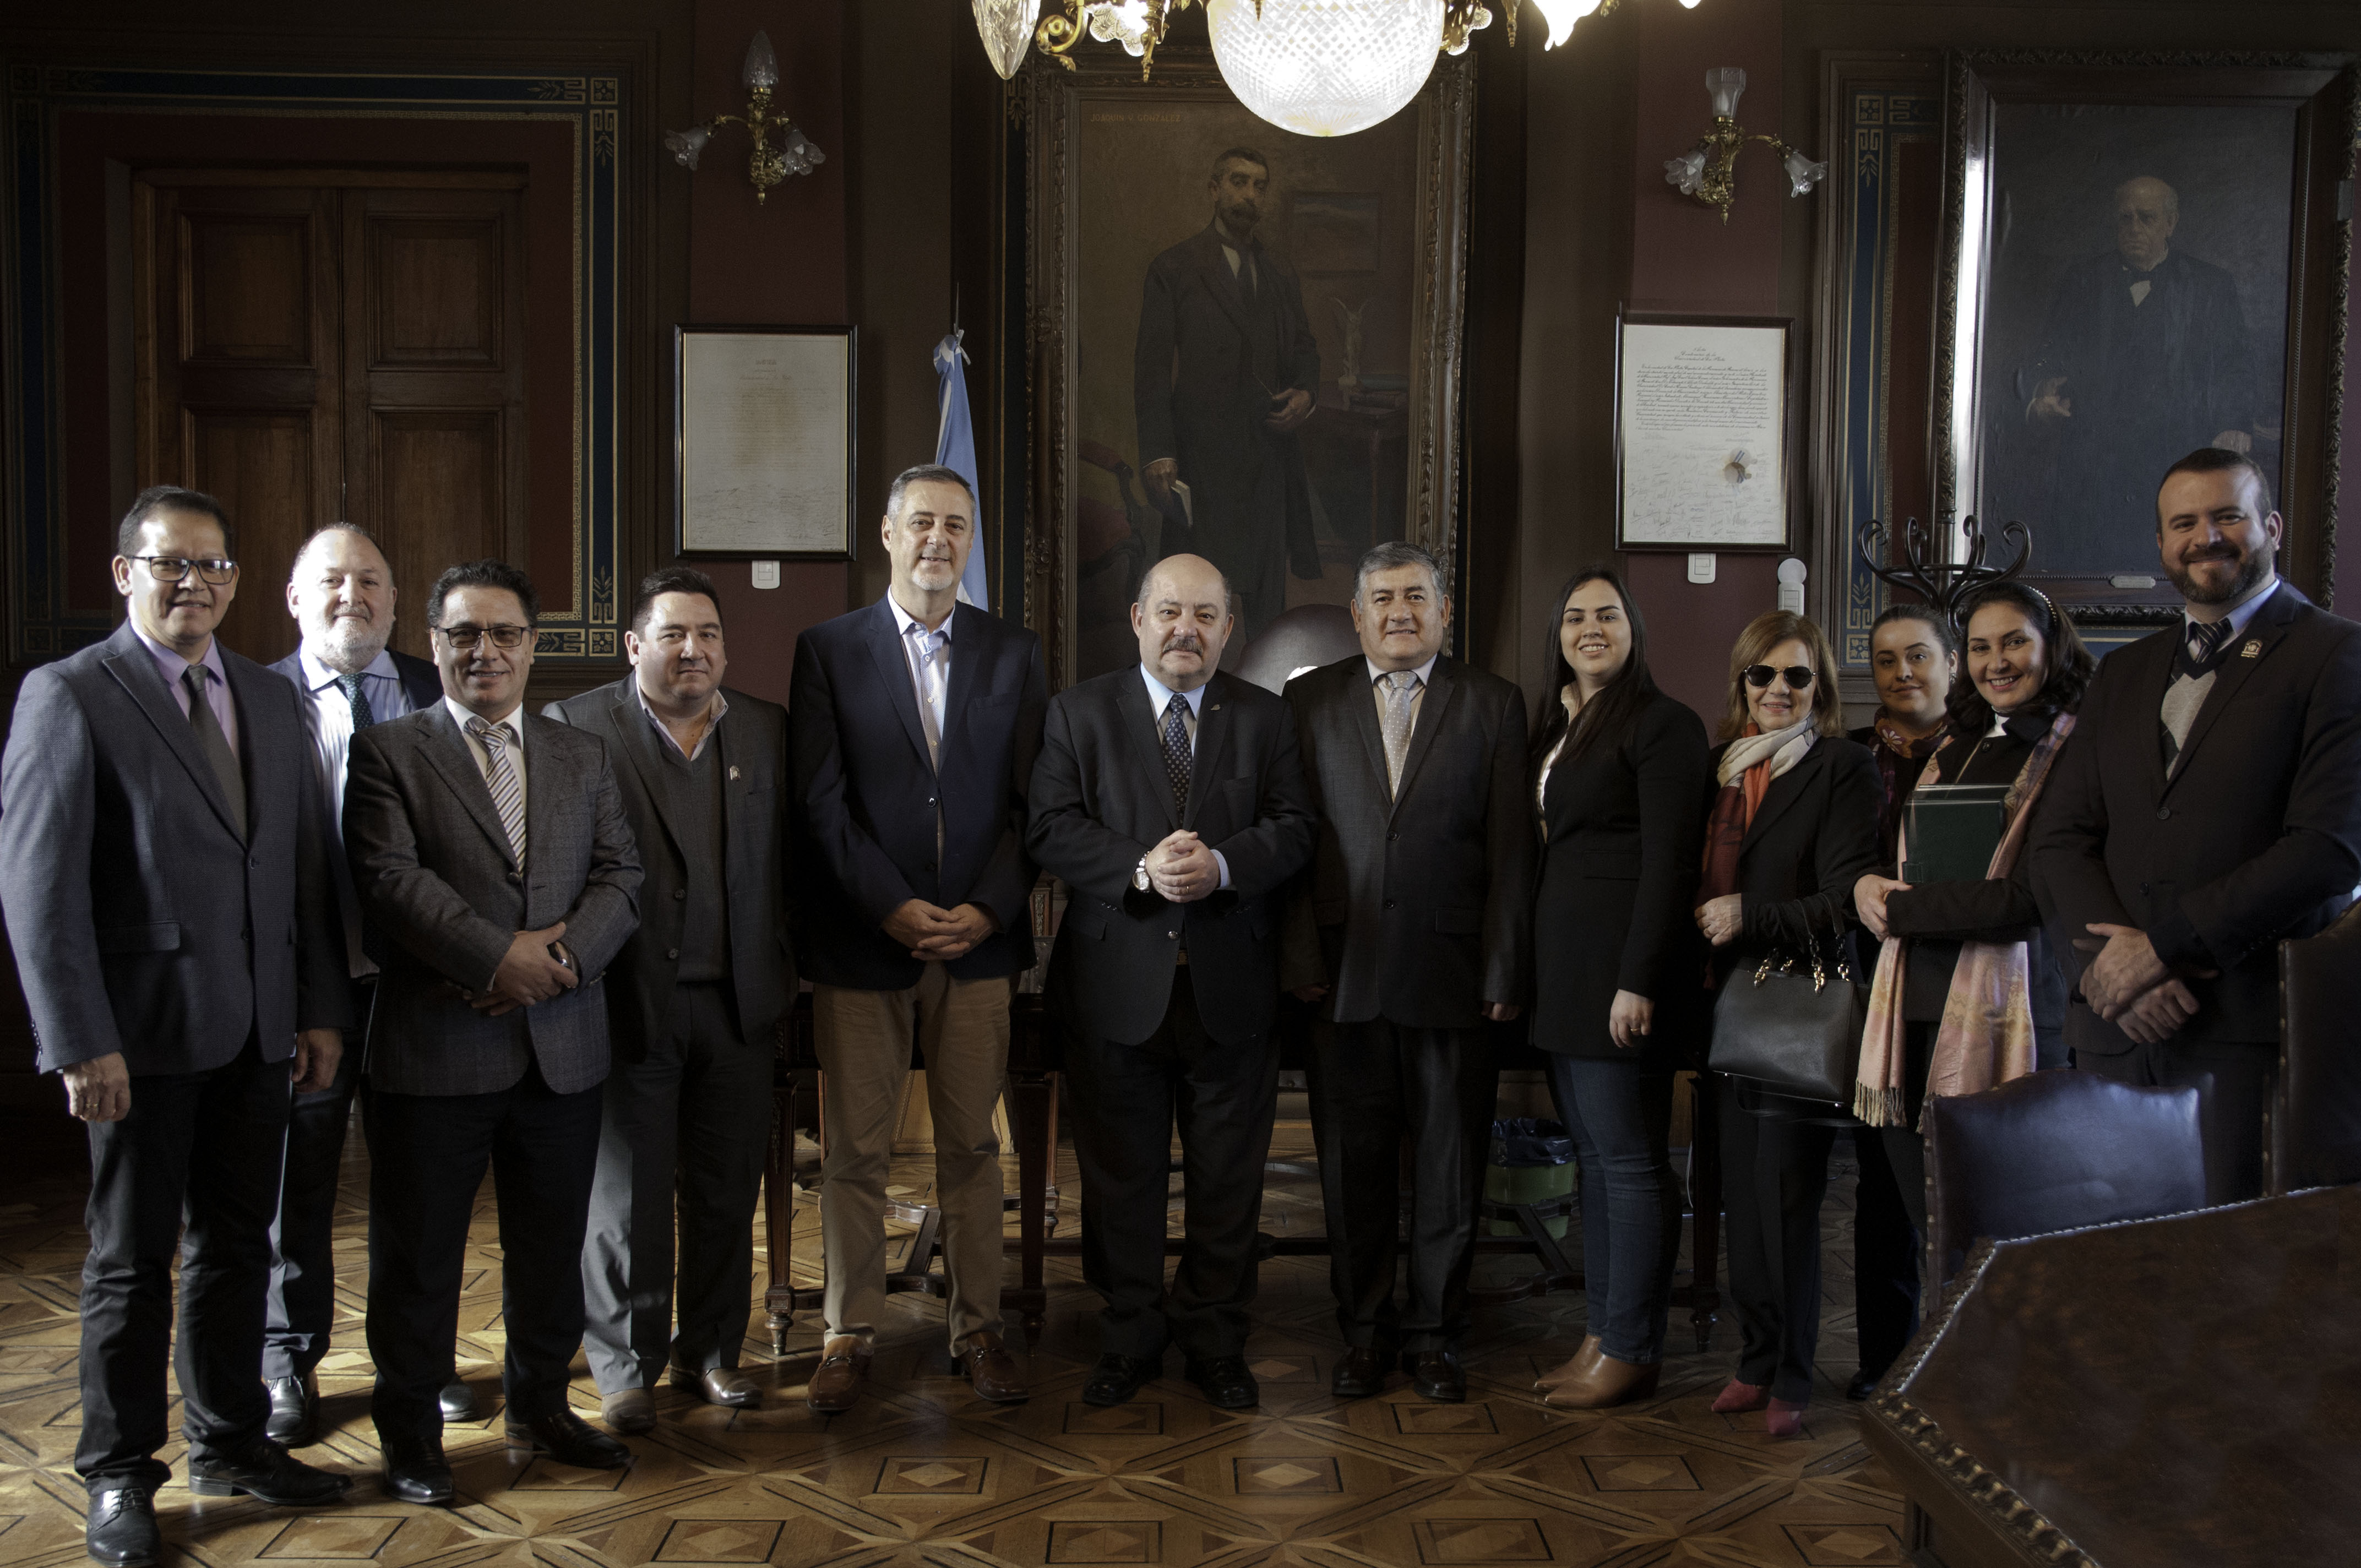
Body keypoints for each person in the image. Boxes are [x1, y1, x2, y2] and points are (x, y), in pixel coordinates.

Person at [0, 486, 355, 1567]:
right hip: (138, 1042)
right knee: (128, 1263)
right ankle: (118, 1473)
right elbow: (37, 884)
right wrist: (77, 1039)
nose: (193, 582)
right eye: (170, 564)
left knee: (241, 1249)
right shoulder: (70, 693)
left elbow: (305, 872)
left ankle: (231, 1441)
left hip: (258, 1034)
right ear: (125, 573)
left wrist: (319, 1012)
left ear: (237, 582)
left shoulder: (265, 693)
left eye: (212, 566)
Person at [344, 559, 643, 1502]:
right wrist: (496, 960)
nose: (485, 651)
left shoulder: (580, 753)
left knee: (550, 1245)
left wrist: (552, 966)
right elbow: (391, 881)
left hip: (562, 1043)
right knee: (420, 1254)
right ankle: (410, 1436)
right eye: (464, 633)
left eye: (504, 632)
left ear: (531, 645)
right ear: (433, 643)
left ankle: (543, 1406)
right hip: (434, 1047)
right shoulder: (388, 749)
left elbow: (621, 876)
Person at [2031, 447, 2361, 1202]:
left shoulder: (2337, 655)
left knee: (2234, 1286)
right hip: (2115, 1031)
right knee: (2111, 1280)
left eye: (2227, 517)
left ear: (2270, 526)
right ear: (2160, 544)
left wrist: (2161, 951)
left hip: (2249, 1034)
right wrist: (2107, 970)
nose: (2205, 537)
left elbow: (2328, 849)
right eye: (2184, 523)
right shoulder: (2122, 673)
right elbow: (2059, 840)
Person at [1027, 553, 1316, 1411]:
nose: (1185, 630)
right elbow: (1049, 826)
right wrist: (1141, 868)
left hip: (1231, 988)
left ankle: (1216, 1339)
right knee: (1123, 1179)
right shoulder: (1079, 714)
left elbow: (1297, 828)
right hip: (1116, 987)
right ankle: (1128, 1335)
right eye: (1169, 612)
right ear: (1137, 618)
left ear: (1230, 629)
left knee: (1230, 1181)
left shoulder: (1266, 719)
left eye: (1204, 615)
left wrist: (1224, 865)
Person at [788, 465, 1047, 1414]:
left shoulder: (1014, 653)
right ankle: (848, 1332)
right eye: (922, 522)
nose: (939, 538)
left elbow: (1034, 804)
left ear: (968, 541)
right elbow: (818, 801)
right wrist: (890, 905)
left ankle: (977, 1326)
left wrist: (987, 906)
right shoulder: (828, 649)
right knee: (855, 1152)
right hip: (864, 943)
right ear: (887, 534)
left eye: (957, 523)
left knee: (973, 1149)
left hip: (978, 945)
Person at [1279, 541, 1532, 1404]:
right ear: (1356, 615)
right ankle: (1364, 1334)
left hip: (1455, 976)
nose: (1399, 612)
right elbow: (1294, 841)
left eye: (1417, 597)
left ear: (1445, 611)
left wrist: (1502, 967)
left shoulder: (1493, 705)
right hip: (1340, 979)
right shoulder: (1309, 701)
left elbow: (1510, 851)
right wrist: (1302, 957)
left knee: (1449, 1171)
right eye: (1382, 598)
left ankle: (1434, 1336)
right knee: (1352, 1172)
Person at [545, 568, 793, 1432]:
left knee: (726, 1193)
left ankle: (713, 1352)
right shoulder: (575, 728)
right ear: (634, 646)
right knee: (626, 1200)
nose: (695, 651)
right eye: (675, 635)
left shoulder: (766, 730)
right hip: (625, 1005)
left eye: (710, 635)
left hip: (741, 1005)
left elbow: (788, 866)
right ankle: (626, 1365)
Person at [262, 524, 453, 1449]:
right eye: (333, 581)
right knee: (295, 1190)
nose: (354, 597)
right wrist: (297, 995)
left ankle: (418, 1364)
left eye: (372, 581)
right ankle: (286, 1361)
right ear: (295, 598)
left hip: (420, 994)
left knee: (419, 1192)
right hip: (307, 992)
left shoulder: (436, 687)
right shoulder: (255, 701)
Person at [1522, 568, 1707, 1409]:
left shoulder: (1663, 724)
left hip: (1620, 983)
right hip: (1566, 977)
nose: (1589, 627)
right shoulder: (1561, 724)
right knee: (1595, 1164)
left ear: (1634, 629)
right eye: (1573, 616)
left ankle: (1632, 1345)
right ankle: (1602, 1333)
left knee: (1629, 1166)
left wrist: (1638, 983)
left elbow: (1669, 864)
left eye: (1606, 615)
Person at [1693, 612, 1880, 1436]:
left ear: (1820, 689)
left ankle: (1795, 1378)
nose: (1777, 691)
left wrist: (1752, 914)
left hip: (1795, 1005)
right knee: (1739, 1194)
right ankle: (1755, 1359)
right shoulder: (1722, 771)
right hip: (1722, 1007)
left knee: (1792, 1201)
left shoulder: (1843, 766)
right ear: (1741, 685)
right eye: (1761, 676)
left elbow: (1847, 900)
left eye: (1796, 678)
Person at [1854, 582, 2092, 1227]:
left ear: (2051, 647)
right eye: (1981, 645)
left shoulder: (2074, 751)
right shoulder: (1957, 746)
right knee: (1929, 1225)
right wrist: (1868, 886)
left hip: (2014, 1012)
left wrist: (1897, 909)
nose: (1997, 661)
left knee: (1997, 1229)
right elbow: (1916, 865)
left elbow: (2023, 900)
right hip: (1914, 1007)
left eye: (2015, 641)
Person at [1836, 603, 1960, 1401]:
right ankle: (1885, 1364)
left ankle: (1961, 1360)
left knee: (1964, 1177)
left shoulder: (1989, 754)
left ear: (1951, 663)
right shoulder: (1848, 759)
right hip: (1873, 996)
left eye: (1919, 656)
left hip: (1963, 988)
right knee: (1882, 1188)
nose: (1903, 673)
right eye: (1885, 660)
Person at [2014, 176, 2259, 564]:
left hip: (2174, 453)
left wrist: (2233, 421)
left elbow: (2235, 364)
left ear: (2170, 224)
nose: (2133, 229)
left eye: (2146, 218)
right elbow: (2049, 353)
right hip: (2094, 456)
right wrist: (2041, 392)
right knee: (2086, 558)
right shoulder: (2082, 281)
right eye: (2124, 219)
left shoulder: (2210, 286)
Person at [1134, 146, 1322, 639]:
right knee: (1196, 597)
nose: (1250, 195)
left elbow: (1305, 349)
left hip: (1267, 458)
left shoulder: (1279, 272)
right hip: (1202, 460)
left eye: (1260, 186)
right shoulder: (1174, 267)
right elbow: (1152, 370)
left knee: (1265, 605)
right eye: (1239, 182)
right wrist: (1158, 452)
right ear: (1215, 189)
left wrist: (1307, 395)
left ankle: (1264, 696)